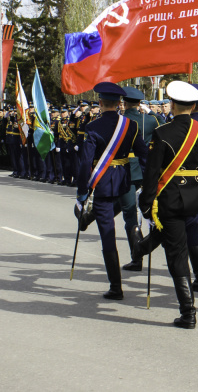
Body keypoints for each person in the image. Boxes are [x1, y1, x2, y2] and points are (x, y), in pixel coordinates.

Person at [138, 81, 198, 328]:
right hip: (194, 198)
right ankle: (142, 248)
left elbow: (152, 174)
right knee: (185, 239)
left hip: (170, 199)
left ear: (174, 105)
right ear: (194, 106)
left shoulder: (162, 133)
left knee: (177, 254)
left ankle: (188, 312)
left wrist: (146, 206)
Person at [75, 82, 148, 300]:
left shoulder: (93, 127)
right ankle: (137, 255)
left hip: (104, 182)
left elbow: (86, 162)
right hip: (125, 180)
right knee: (130, 215)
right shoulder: (131, 126)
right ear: (119, 104)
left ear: (100, 103)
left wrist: (82, 192)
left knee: (108, 235)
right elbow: (144, 155)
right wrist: (146, 181)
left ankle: (116, 287)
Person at [118, 87, 160, 271]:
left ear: (124, 103)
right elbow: (163, 125)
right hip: (146, 170)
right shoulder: (150, 120)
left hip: (125, 168)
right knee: (150, 212)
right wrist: (150, 112)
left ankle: (137, 257)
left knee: (130, 216)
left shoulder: (120, 120)